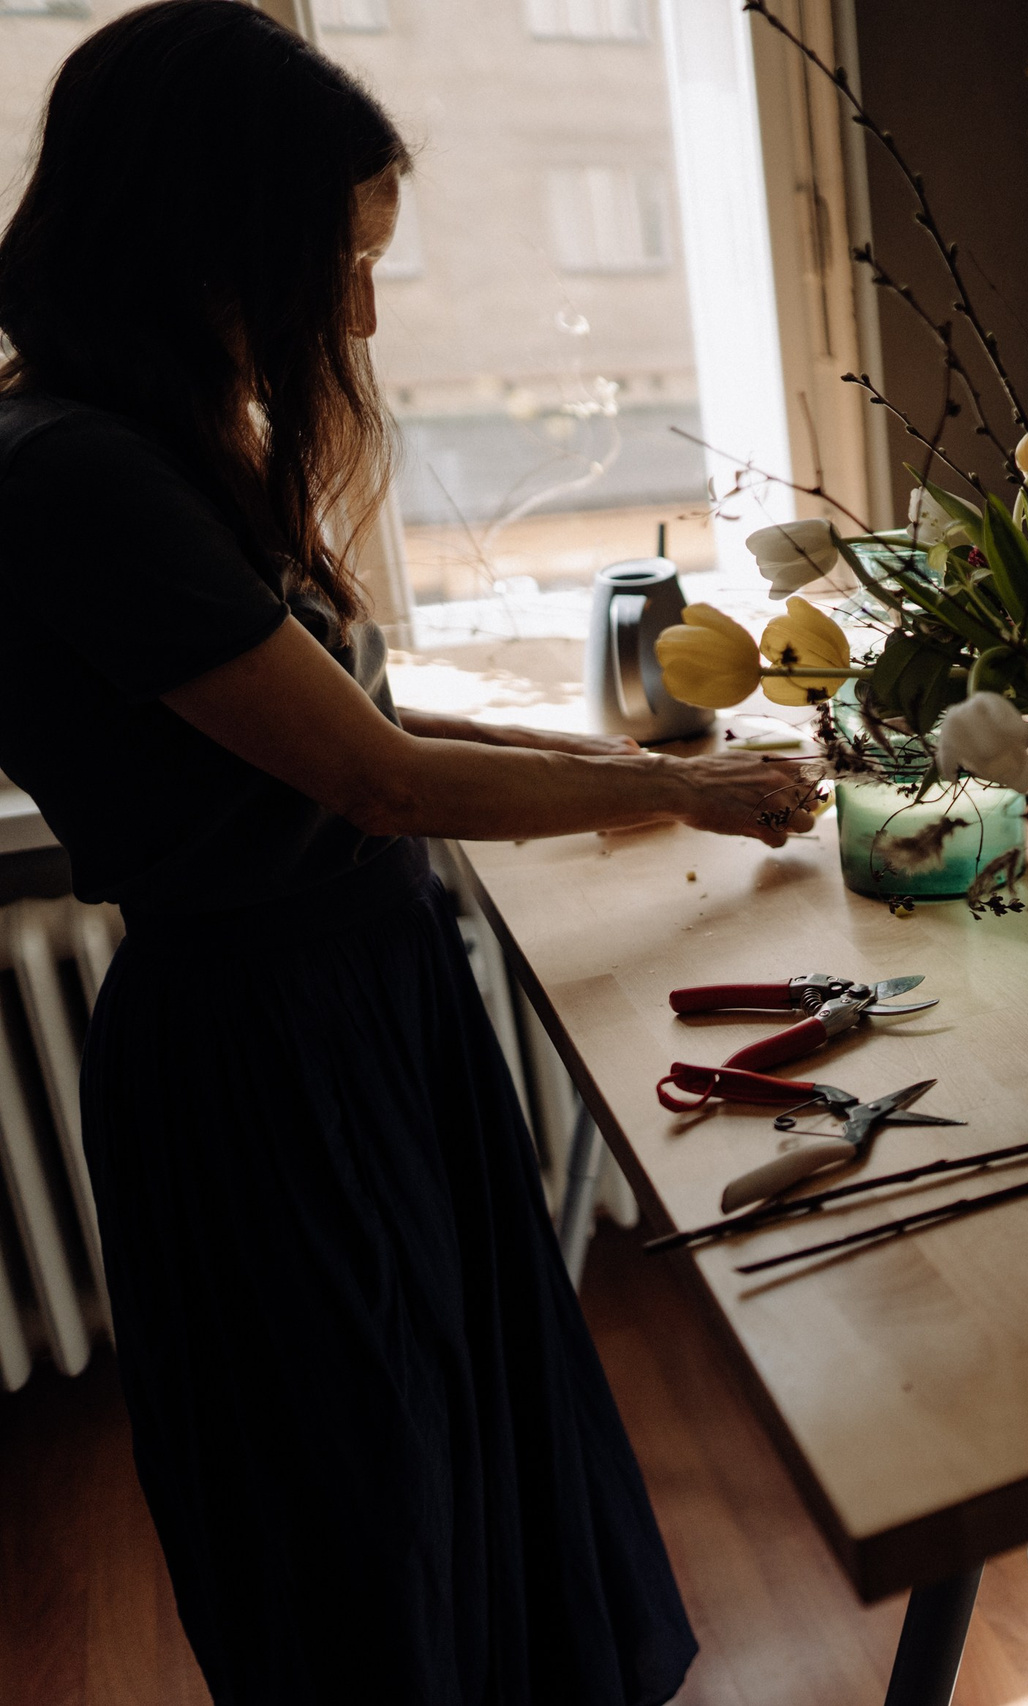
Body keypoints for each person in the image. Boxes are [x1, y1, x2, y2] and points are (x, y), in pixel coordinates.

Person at [0, 6, 808, 1699]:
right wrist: (675, 791)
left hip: (361, 1011)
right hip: (265, 1068)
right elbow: (375, 779)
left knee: (459, 1450)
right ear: (203, 235)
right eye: (337, 259)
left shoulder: (172, 434)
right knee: (365, 1507)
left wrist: (683, 777)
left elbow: (386, 721)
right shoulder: (71, 476)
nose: (360, 312)